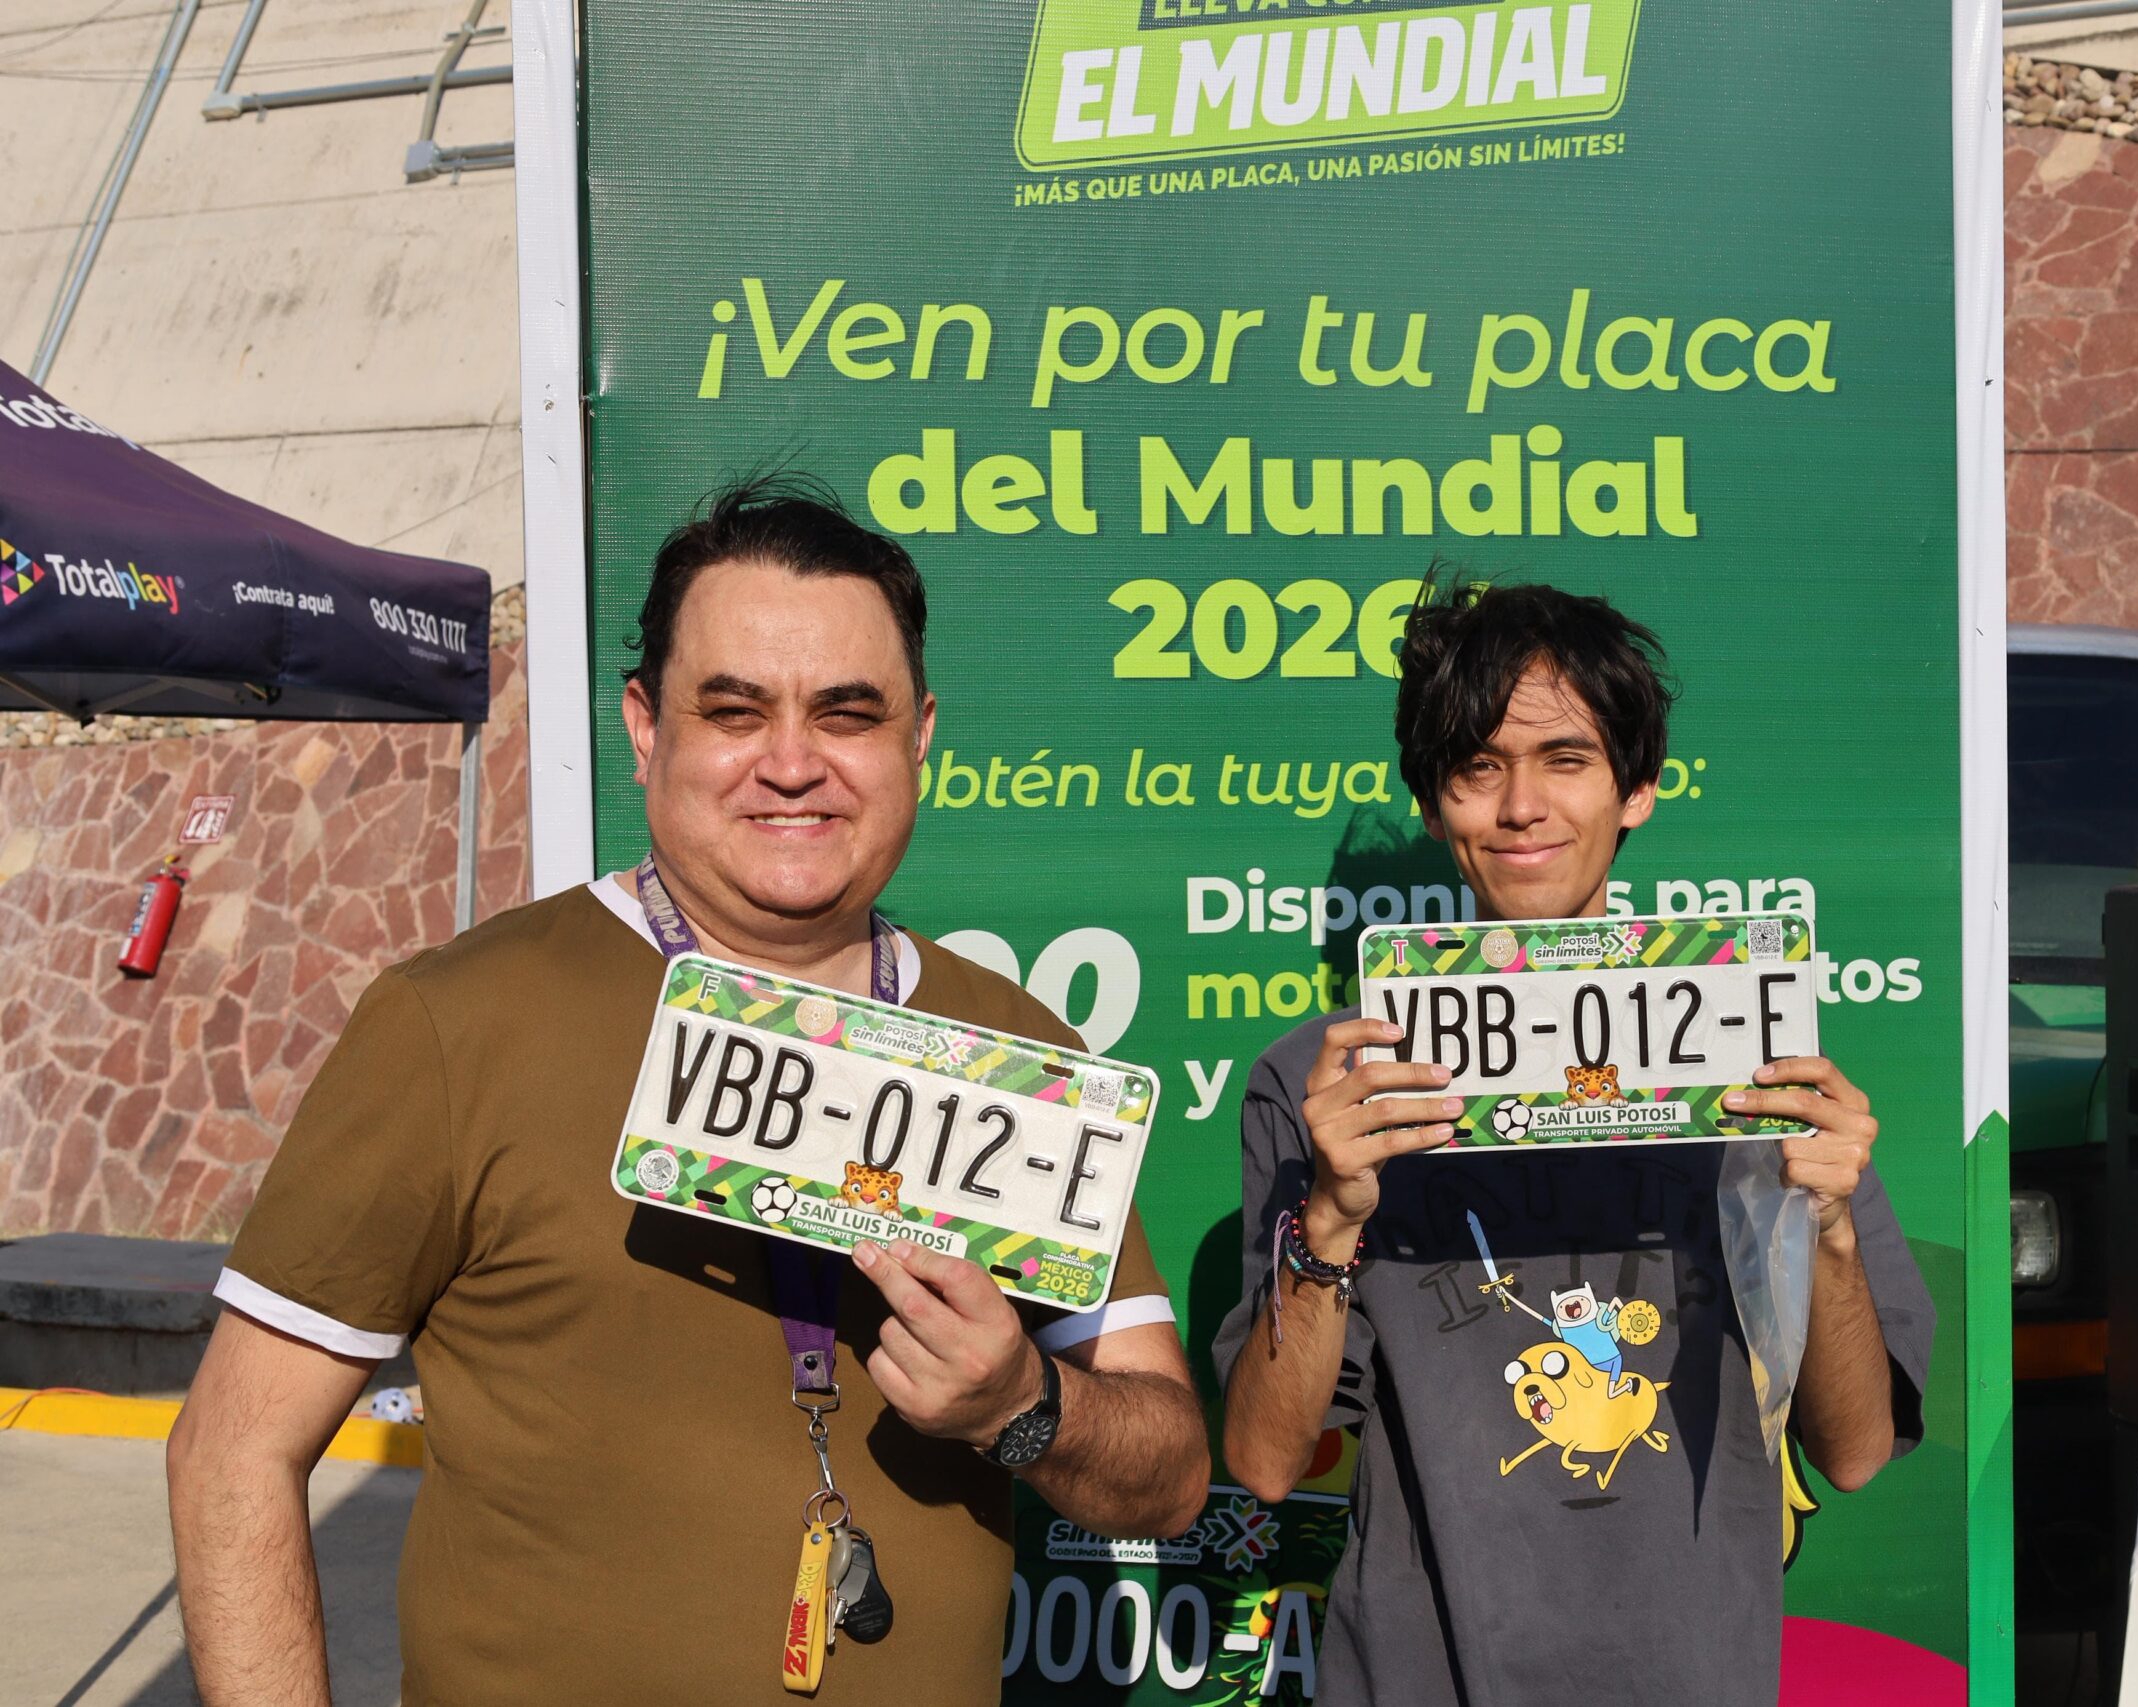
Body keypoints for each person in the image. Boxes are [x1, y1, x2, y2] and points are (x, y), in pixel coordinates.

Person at [168, 475, 1209, 1706]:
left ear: (919, 737)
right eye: (733, 710)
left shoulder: (1015, 1053)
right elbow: (231, 1454)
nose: (792, 764)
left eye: (847, 714)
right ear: (644, 727)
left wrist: (1022, 1406)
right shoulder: (458, 1025)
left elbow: (1169, 1473)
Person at [1214, 578, 1934, 1705]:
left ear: (1635, 788)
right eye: (1477, 767)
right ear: (1434, 800)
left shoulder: (1750, 1064)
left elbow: (1852, 1452)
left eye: (1566, 759)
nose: (1521, 807)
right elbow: (1264, 1462)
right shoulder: (1329, 1085)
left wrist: (1829, 1227)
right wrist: (1331, 1219)